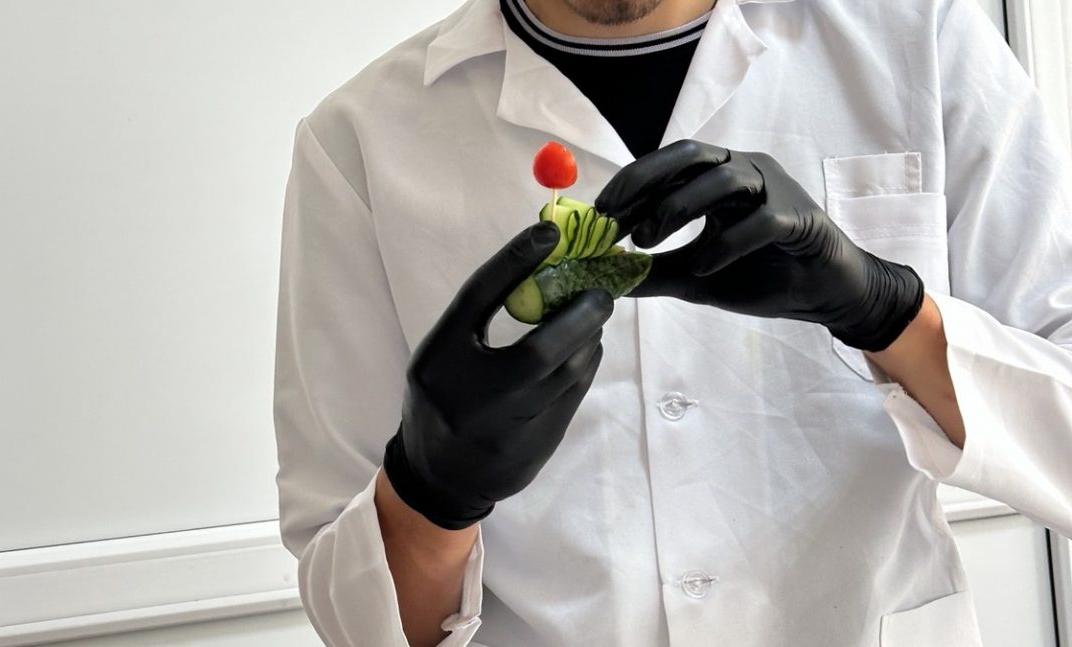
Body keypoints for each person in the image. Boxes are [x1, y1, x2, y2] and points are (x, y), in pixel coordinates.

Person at [273, 0, 1072, 644]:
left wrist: (891, 312)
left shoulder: (920, 38)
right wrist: (431, 491)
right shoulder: (361, 142)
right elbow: (358, 623)